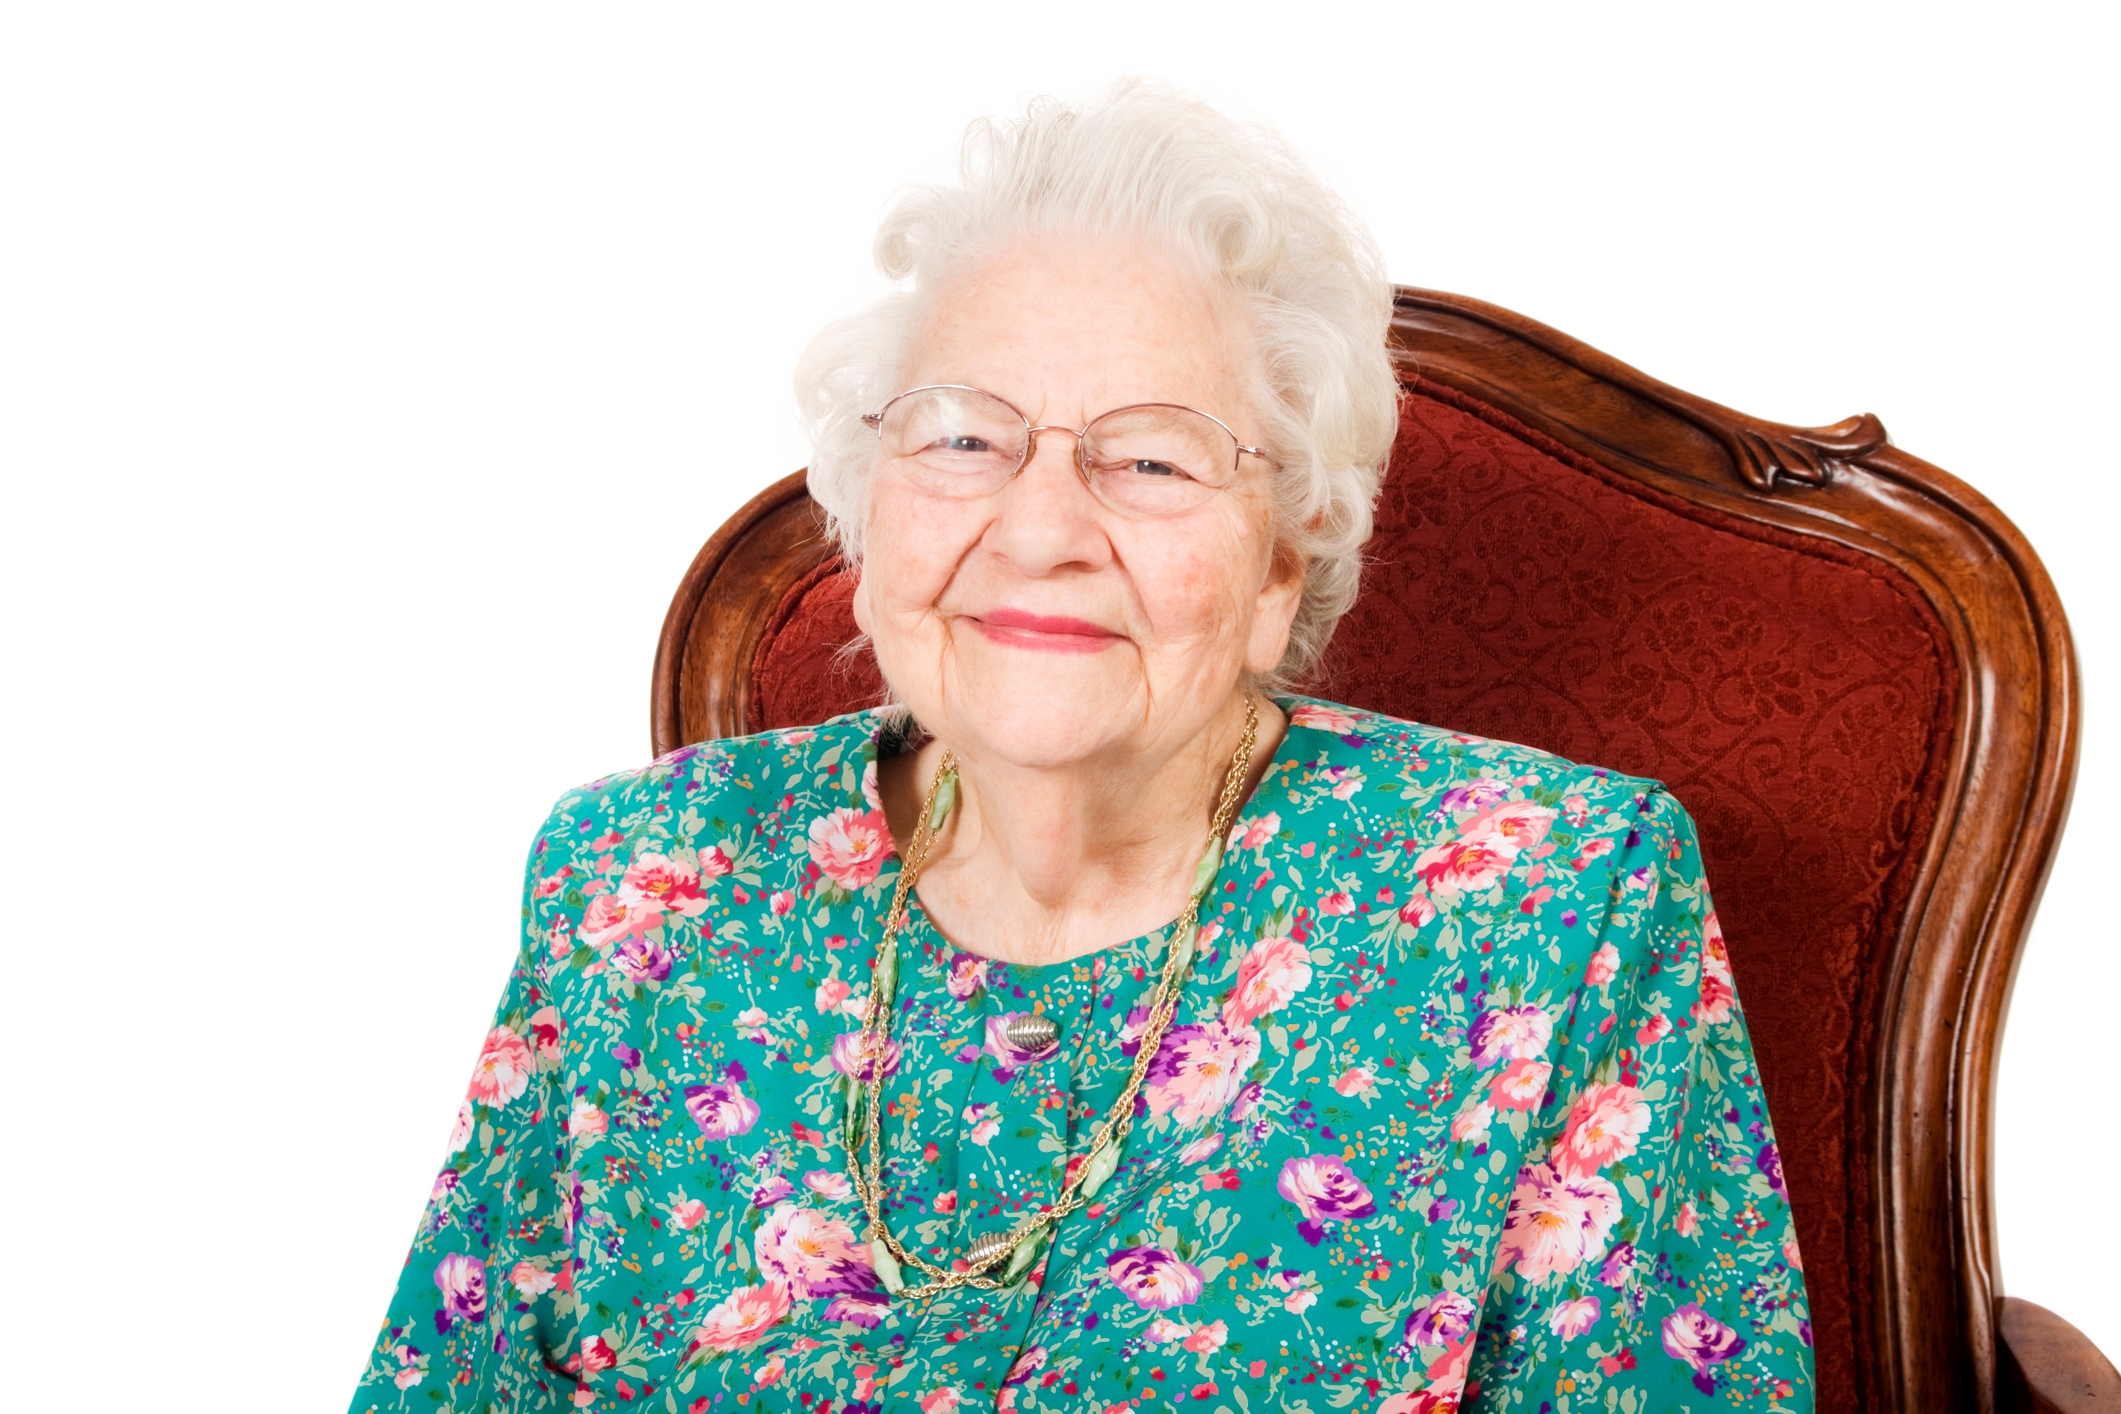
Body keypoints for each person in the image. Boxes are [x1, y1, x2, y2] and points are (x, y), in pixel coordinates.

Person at [350, 83, 1814, 1413]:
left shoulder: (1552, 902)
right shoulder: (639, 886)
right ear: (868, 519)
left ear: (1278, 568)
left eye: (1153, 459)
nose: (1040, 531)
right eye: (963, 440)